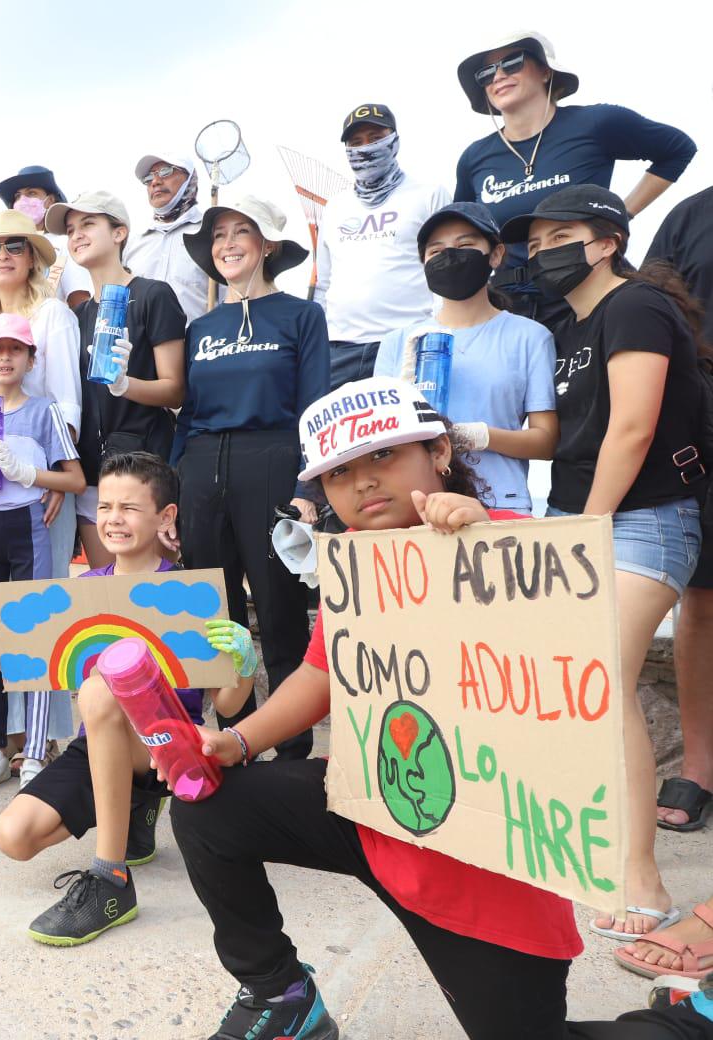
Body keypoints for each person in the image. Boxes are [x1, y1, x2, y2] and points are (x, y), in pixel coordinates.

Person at [168, 376, 713, 1040]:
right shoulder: (357, 571)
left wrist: (492, 551)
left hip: (482, 870)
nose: (363, 482)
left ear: (440, 452)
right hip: (375, 812)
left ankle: (689, 1021)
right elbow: (321, 674)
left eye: (383, 456)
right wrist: (240, 742)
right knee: (208, 803)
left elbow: (580, 667)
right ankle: (278, 996)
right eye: (338, 473)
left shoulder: (520, 543)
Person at [504, 185, 707, 939]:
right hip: (577, 522)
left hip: (638, 526)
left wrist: (581, 537)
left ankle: (644, 883)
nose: (541, 249)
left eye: (561, 233)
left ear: (607, 241)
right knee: (572, 691)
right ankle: (593, 850)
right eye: (533, 238)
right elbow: (569, 439)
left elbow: (631, 430)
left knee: (604, 685)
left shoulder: (635, 308)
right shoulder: (571, 324)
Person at [0, 451, 253, 946]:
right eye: (105, 506)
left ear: (165, 516)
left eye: (129, 508)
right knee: (12, 837)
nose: (113, 519)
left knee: (99, 686)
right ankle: (130, 808)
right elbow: (29, 665)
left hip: (171, 746)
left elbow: (231, 707)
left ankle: (110, 879)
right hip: (99, 747)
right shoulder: (81, 593)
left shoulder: (192, 593)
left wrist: (244, 663)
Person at [172, 196, 329, 759]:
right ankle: (231, 744)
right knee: (217, 618)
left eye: (243, 232)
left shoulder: (301, 315)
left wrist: (308, 489)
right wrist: (174, 495)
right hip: (201, 466)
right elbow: (187, 413)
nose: (229, 243)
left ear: (267, 245)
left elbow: (314, 406)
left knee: (280, 610)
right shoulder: (201, 326)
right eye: (219, 235)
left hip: (273, 460)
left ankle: (291, 753)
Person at [454, 30, 697, 326]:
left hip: (589, 293)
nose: (499, 75)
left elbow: (677, 150)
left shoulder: (595, 123)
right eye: (486, 72)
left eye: (513, 61)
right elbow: (465, 234)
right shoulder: (474, 157)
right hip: (511, 304)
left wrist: (621, 213)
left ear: (545, 71)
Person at [0, 314, 84, 791]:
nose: (5, 358)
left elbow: (75, 480)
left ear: (30, 357)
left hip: (28, 529)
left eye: (15, 349)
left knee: (36, 641)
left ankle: (35, 750)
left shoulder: (45, 412)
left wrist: (29, 474)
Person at [373, 200, 557, 513]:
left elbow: (546, 441)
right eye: (436, 250)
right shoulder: (399, 342)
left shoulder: (530, 337)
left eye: (465, 244)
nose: (450, 255)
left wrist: (479, 436)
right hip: (416, 506)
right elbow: (378, 442)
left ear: (496, 254)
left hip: (501, 504)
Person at [45, 190, 186, 568]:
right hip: (92, 475)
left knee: (154, 595)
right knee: (108, 594)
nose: (76, 235)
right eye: (71, 229)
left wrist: (126, 385)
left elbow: (176, 389)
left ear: (120, 232)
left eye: (88, 223)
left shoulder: (154, 294)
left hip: (145, 469)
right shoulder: (74, 315)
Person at [0, 209, 83, 585]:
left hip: (39, 489)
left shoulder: (52, 314)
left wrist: (54, 476)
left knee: (41, 599)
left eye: (14, 246)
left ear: (32, 258)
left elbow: (68, 403)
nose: (1, 255)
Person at [646, 185, 713, 833]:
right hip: (707, 425)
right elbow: (658, 313)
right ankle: (699, 767)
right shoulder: (691, 215)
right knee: (704, 598)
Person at [315, 104, 451, 387]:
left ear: (394, 140)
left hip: (407, 341)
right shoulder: (335, 207)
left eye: (375, 137)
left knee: (412, 430)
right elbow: (324, 282)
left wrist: (440, 333)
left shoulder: (429, 194)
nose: (366, 148)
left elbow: (445, 270)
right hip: (339, 348)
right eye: (356, 142)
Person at [123, 151, 211, 327]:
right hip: (139, 351)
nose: (155, 182)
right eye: (148, 178)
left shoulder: (211, 234)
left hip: (198, 349)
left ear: (189, 178)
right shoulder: (131, 244)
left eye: (165, 172)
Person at [0, 165, 92, 309]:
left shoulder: (64, 244)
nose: (22, 201)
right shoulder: (1, 249)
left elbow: (79, 301)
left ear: (50, 200)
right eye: (17, 196)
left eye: (31, 193)